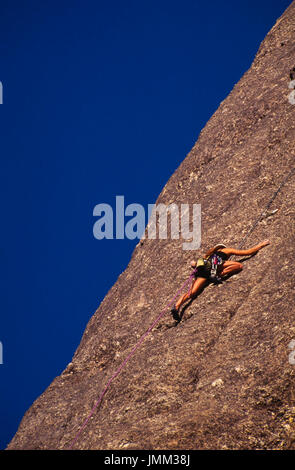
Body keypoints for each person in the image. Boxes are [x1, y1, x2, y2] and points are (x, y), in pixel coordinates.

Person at [170, 239, 270, 321]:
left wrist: (194, 265)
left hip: (202, 273)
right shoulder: (226, 251)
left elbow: (197, 264)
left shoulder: (207, 256)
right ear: (222, 248)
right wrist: (260, 245)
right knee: (239, 265)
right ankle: (218, 275)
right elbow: (246, 252)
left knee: (191, 293)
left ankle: (177, 306)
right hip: (216, 268)